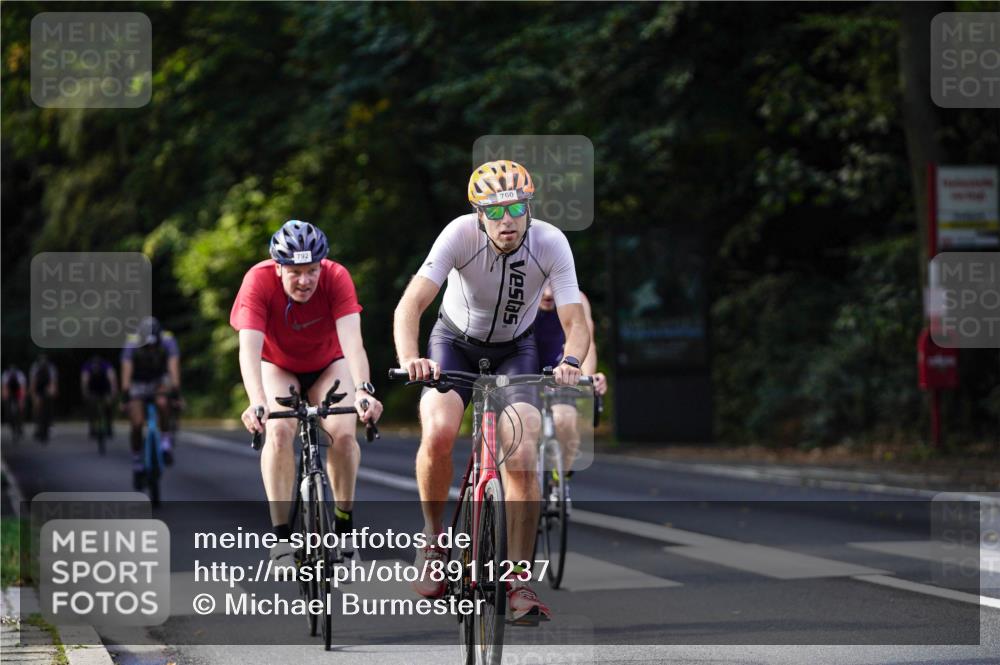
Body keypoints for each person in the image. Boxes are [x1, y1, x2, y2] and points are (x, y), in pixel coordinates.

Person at [393, 160, 590, 622]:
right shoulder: (458, 234)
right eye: (494, 211)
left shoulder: (551, 242)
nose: (507, 220)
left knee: (521, 455)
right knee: (439, 431)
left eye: (516, 208)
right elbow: (411, 305)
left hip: (516, 349)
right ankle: (434, 541)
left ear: (529, 207)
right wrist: (410, 359)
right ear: (478, 214)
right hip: (454, 343)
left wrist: (570, 362)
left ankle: (518, 579)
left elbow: (575, 321)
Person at [232, 219, 383, 567]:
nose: (305, 280)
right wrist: (256, 401)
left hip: (329, 362)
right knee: (280, 432)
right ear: (279, 267)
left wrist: (362, 390)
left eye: (312, 270)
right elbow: (249, 351)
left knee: (343, 435)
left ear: (322, 265)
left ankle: (345, 532)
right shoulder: (257, 280)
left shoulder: (337, 277)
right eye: (296, 272)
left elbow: (353, 344)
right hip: (278, 364)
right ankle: (281, 538)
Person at [535, 285, 608, 500]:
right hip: (524, 366)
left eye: (553, 286)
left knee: (565, 420)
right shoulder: (520, 290)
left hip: (561, 370)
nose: (548, 294)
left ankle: (561, 479)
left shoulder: (576, 299)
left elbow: (589, 344)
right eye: (542, 286)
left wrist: (589, 376)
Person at [121, 317, 182, 485]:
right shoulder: (132, 343)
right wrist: (126, 393)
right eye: (147, 346)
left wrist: (175, 390)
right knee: (137, 422)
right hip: (138, 382)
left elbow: (173, 366)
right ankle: (137, 461)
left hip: (158, 379)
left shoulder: (168, 340)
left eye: (154, 345)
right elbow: (126, 368)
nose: (151, 348)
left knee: (163, 402)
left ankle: (165, 441)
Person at [81, 355, 118, 440]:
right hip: (93, 388)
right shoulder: (87, 365)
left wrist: (113, 391)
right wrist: (85, 392)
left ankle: (108, 426)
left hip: (105, 388)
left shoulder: (105, 364)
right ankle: (92, 427)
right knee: (92, 406)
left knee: (108, 405)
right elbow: (84, 380)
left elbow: (112, 379)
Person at [29, 354, 58, 443]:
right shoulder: (34, 367)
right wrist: (34, 397)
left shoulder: (51, 368)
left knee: (49, 403)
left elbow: (53, 382)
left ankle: (49, 422)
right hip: (38, 388)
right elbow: (33, 383)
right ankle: (37, 425)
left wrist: (52, 392)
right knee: (36, 406)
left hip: (47, 387)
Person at [2, 364, 27, 439]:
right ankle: (12, 427)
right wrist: (5, 398)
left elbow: (22, 389)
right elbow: (4, 388)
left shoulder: (20, 375)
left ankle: (20, 427)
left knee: (20, 409)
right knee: (8, 411)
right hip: (9, 392)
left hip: (18, 392)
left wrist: (21, 401)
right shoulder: (5, 375)